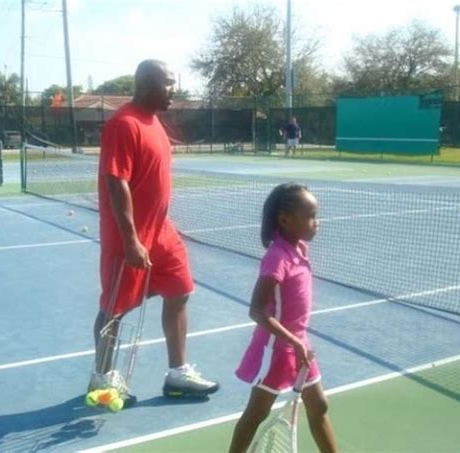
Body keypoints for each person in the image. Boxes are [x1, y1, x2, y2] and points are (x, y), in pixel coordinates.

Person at [89, 59, 219, 407]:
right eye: (167, 83)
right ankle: (101, 377)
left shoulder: (155, 123)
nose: (173, 89)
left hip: (162, 232)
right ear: (146, 84)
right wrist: (131, 240)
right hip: (129, 236)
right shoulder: (123, 123)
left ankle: (177, 373)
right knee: (114, 309)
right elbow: (116, 181)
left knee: (180, 290)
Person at [229, 183, 337, 453]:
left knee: (319, 406)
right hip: (277, 349)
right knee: (256, 413)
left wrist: (299, 342)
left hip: (299, 344)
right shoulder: (277, 258)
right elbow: (256, 310)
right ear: (285, 220)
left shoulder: (299, 249)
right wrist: (292, 341)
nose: (316, 223)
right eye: (310, 216)